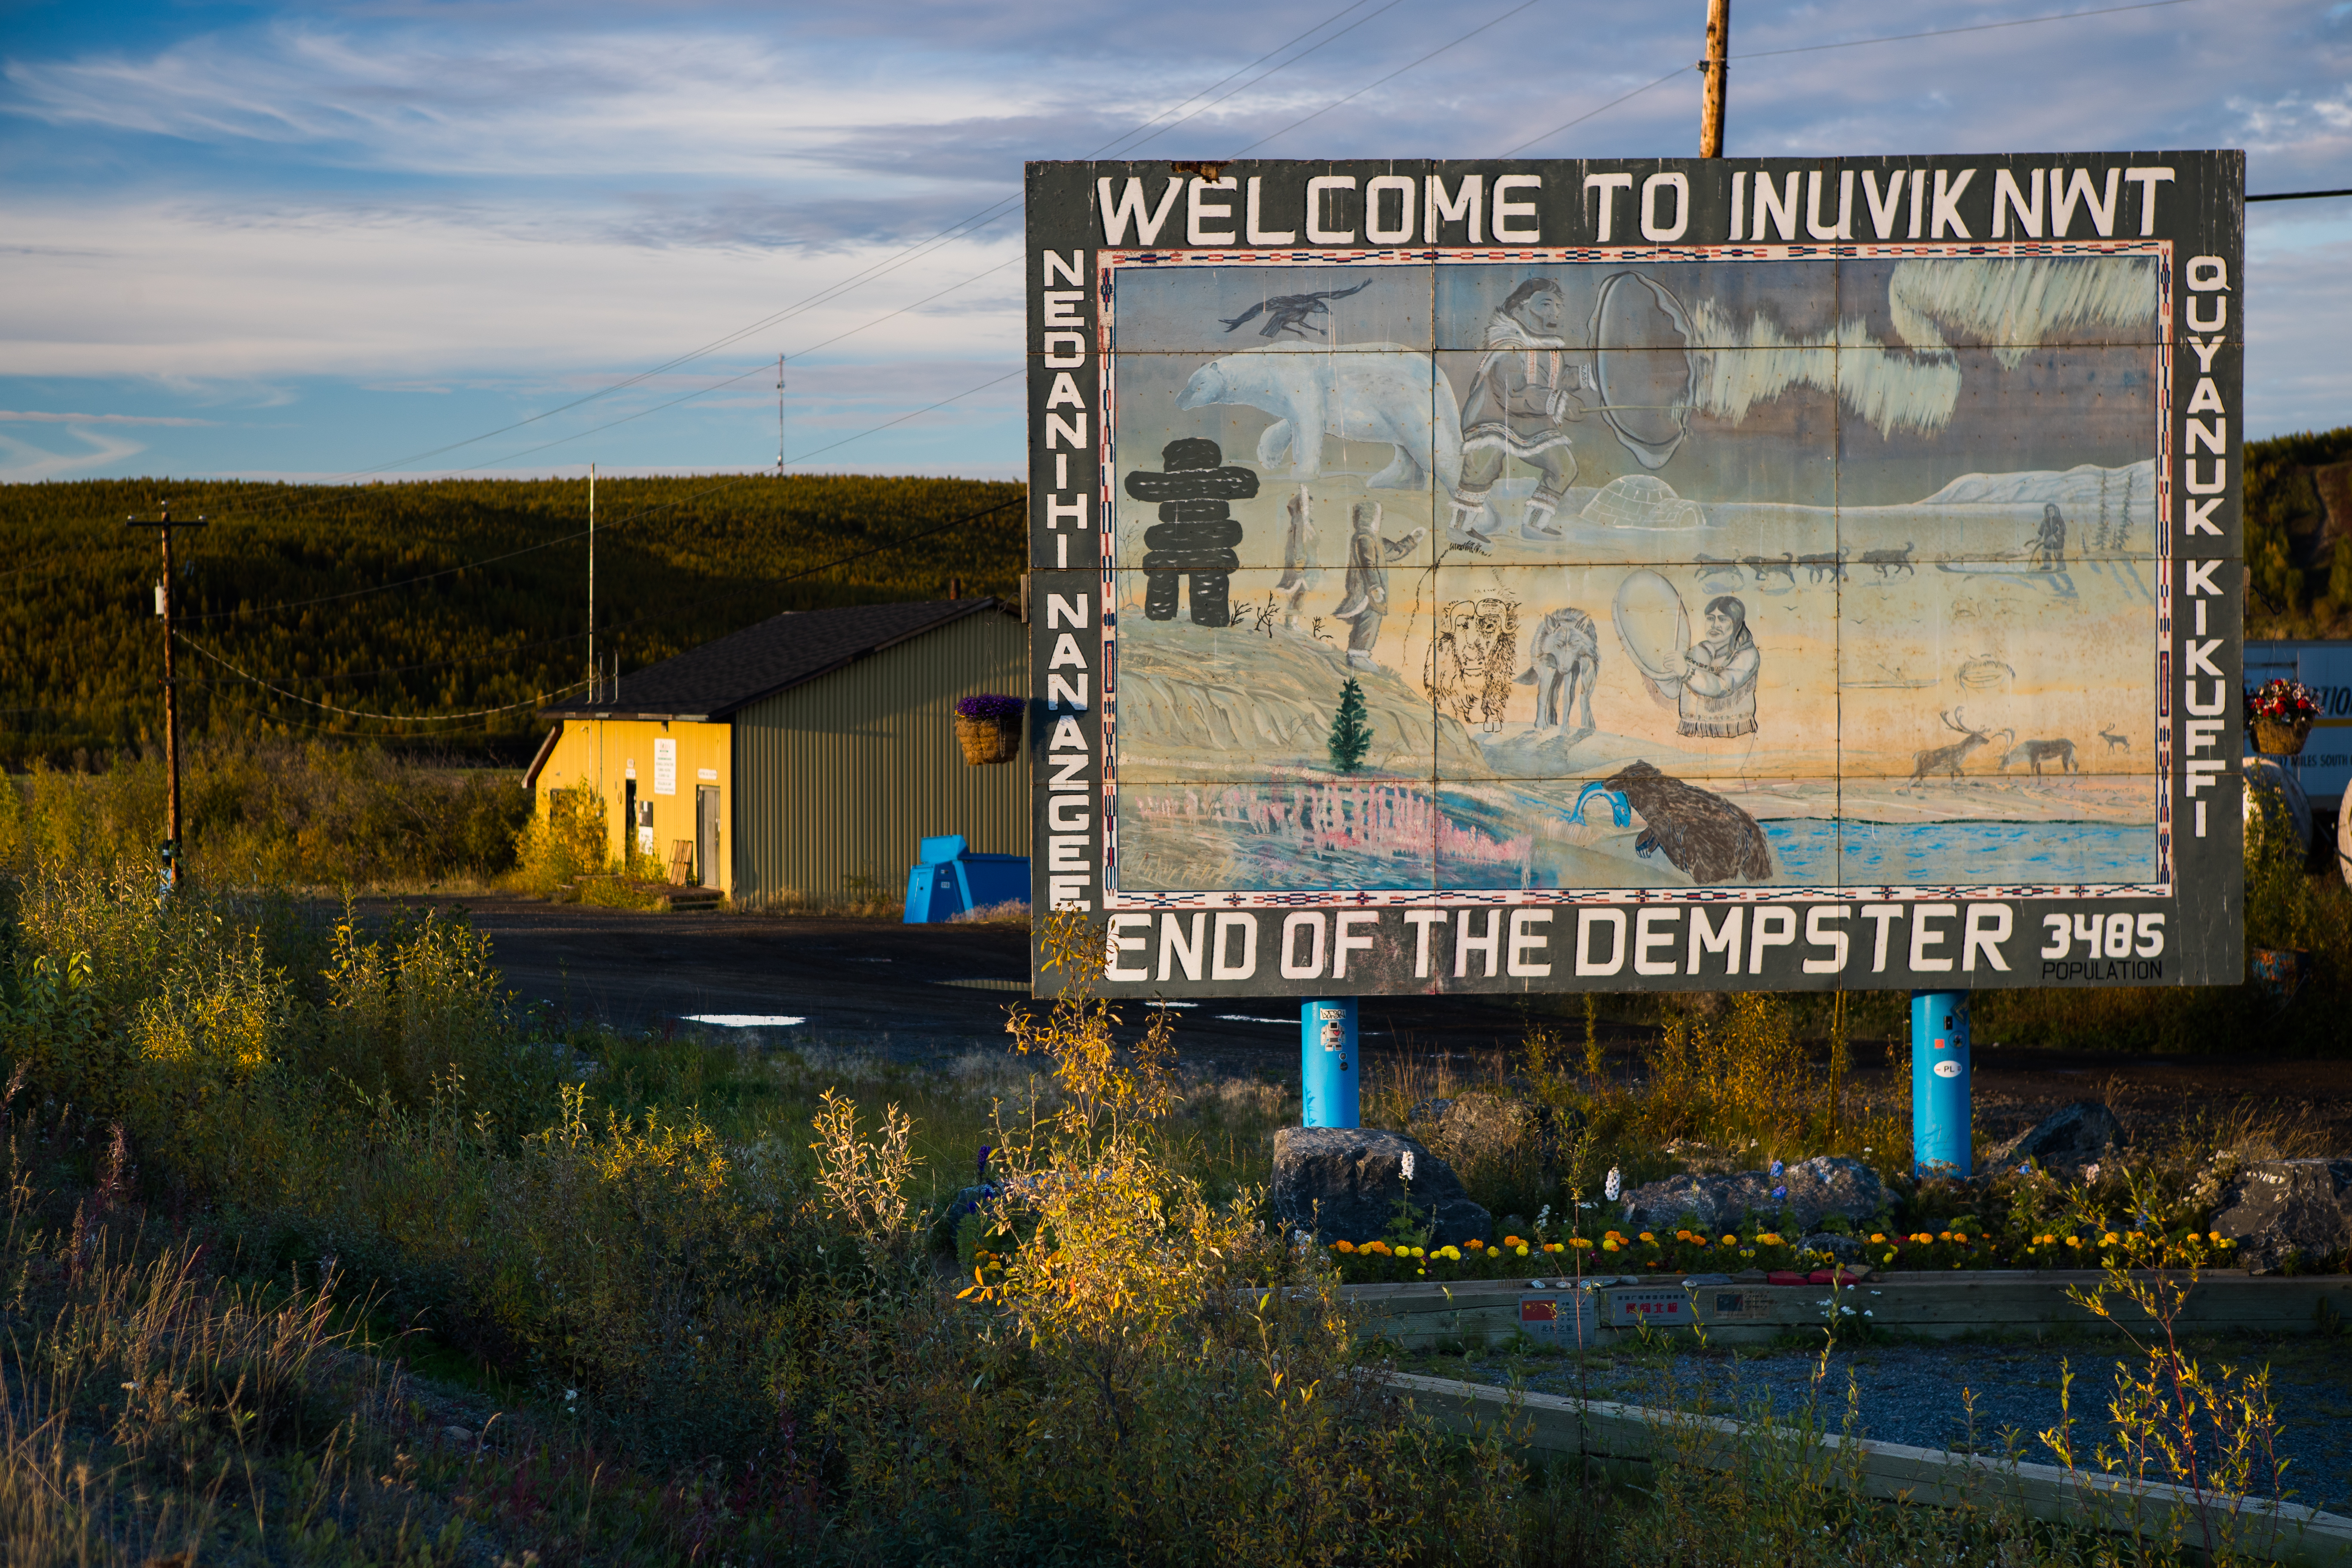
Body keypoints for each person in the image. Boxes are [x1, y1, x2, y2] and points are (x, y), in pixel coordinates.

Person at [1447, 277, 1590, 549]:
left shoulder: (1549, 347)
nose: (1554, 312)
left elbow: (1559, 379)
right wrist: (1557, 402)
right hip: (1494, 416)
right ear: (1519, 308)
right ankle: (1459, 529)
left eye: (1558, 306)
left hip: (1533, 420)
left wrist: (1590, 377)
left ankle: (1534, 525)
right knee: (1483, 466)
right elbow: (1512, 391)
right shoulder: (1508, 344)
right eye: (1546, 304)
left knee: (1564, 467)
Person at [1680, 595, 1759, 738]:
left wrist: (1685, 672)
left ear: (1736, 624)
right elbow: (1673, 690)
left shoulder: (1746, 654)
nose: (1714, 625)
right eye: (1710, 618)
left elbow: (1722, 686)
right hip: (1692, 732)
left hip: (1732, 735)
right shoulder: (1698, 651)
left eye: (1722, 619)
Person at [1330, 501, 1389, 667]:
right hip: (1367, 591)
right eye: (1378, 516)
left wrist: (1412, 540)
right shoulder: (1365, 538)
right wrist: (1374, 586)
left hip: (1371, 590)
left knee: (1371, 617)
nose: (1380, 519)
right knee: (1368, 617)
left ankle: (1360, 654)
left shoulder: (1374, 539)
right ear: (1369, 517)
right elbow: (1367, 563)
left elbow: (1393, 551)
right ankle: (1357, 655)